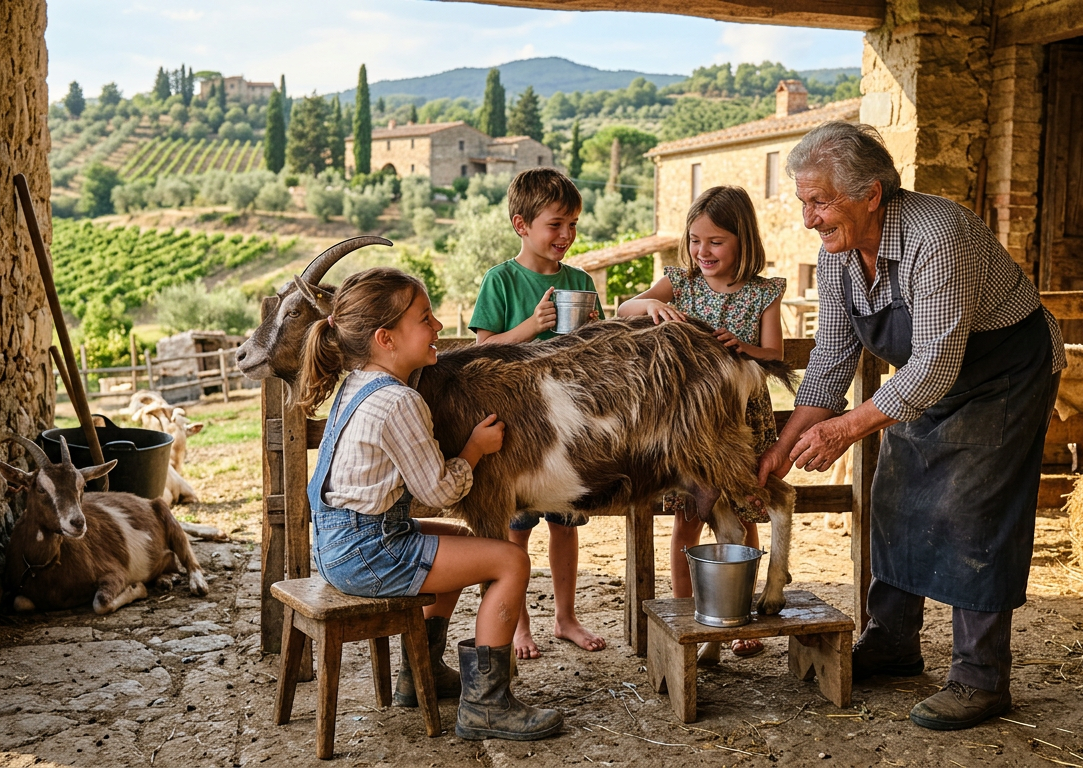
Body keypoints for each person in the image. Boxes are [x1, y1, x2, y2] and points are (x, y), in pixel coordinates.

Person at [757, 122, 1065, 731]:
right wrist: (782, 446)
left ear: (871, 194)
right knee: (895, 495)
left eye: (820, 202)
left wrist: (849, 428)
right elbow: (832, 359)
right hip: (927, 382)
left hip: (1001, 374)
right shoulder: (840, 254)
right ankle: (893, 641)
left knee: (974, 513)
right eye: (804, 202)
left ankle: (980, 679)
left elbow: (935, 361)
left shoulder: (938, 235)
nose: (810, 219)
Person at [297, 267, 562, 741]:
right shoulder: (399, 402)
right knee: (509, 561)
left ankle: (421, 674)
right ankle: (487, 706)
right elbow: (439, 492)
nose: (438, 326)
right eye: (425, 318)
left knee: (459, 543)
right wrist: (475, 451)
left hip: (338, 543)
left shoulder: (356, 385)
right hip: (369, 554)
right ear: (386, 338)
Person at [618, 185, 785, 664]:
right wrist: (650, 307)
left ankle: (735, 612)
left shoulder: (763, 294)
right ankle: (689, 610)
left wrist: (744, 347)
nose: (702, 251)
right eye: (695, 240)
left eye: (715, 241)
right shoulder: (681, 283)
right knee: (688, 519)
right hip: (688, 425)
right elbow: (627, 308)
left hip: (738, 419)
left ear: (743, 241)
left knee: (744, 514)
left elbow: (773, 352)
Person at [468, 167, 606, 659]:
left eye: (572, 224)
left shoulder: (580, 281)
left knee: (566, 527)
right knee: (516, 532)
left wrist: (589, 335)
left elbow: (599, 355)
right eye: (556, 224)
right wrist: (531, 327)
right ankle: (520, 625)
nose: (566, 235)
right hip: (518, 433)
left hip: (567, 433)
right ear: (521, 224)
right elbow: (481, 352)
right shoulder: (501, 280)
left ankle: (565, 618)